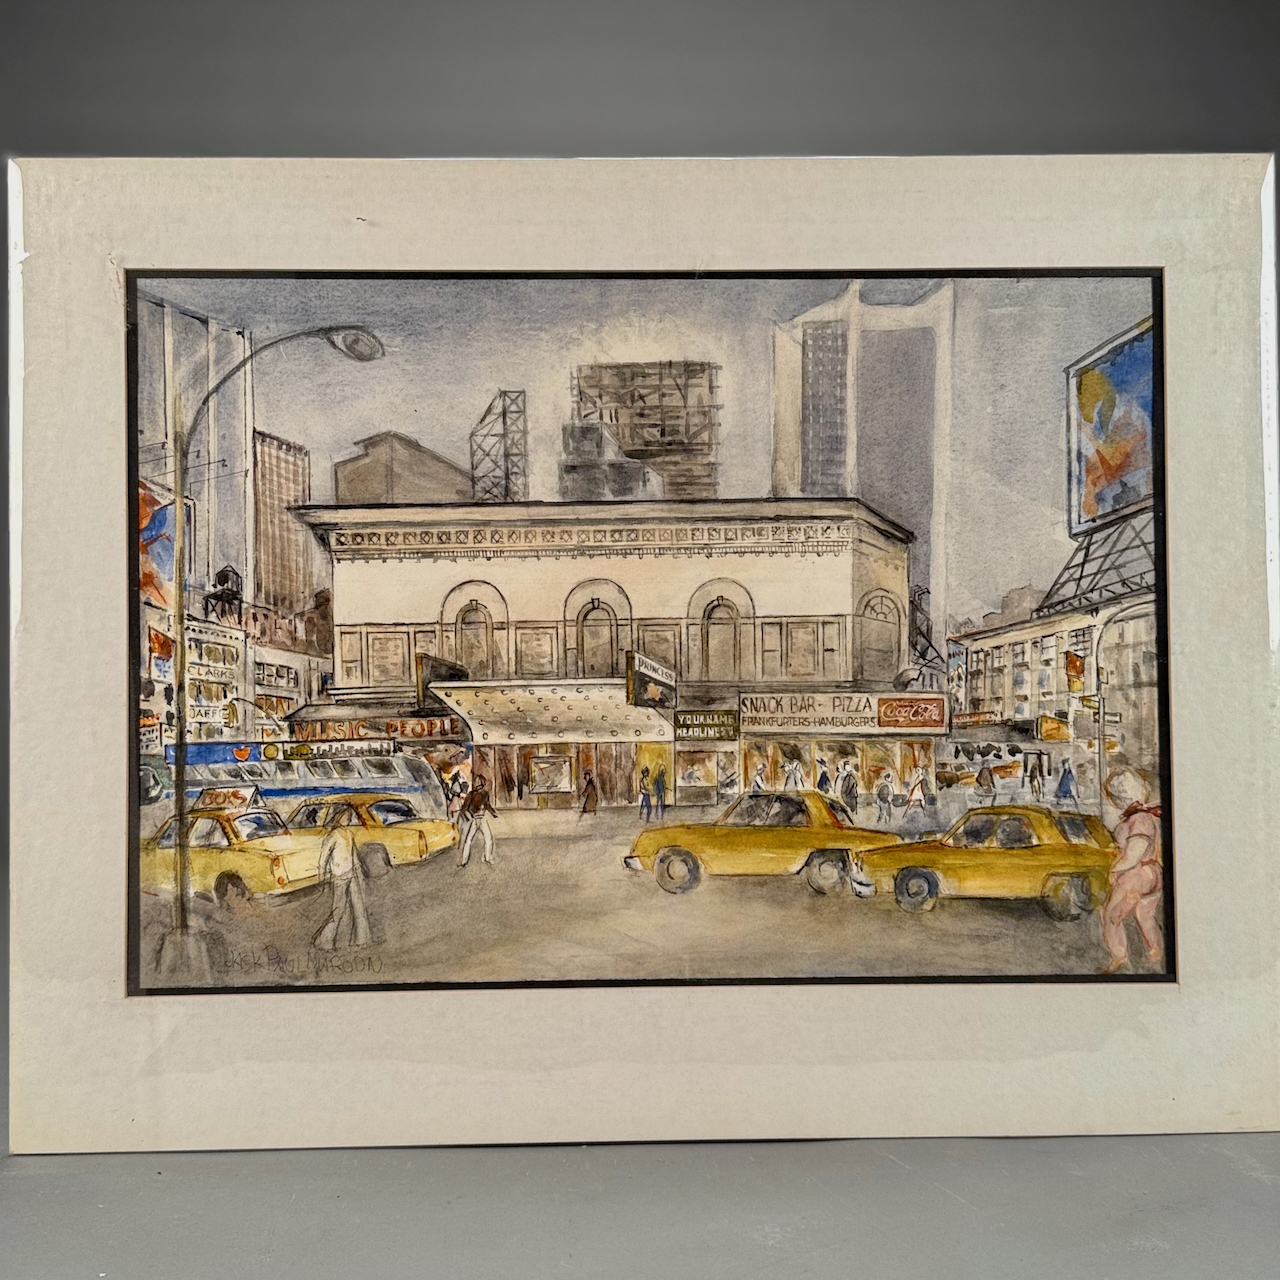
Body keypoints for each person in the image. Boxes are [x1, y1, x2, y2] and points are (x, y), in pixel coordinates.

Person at [1099, 767, 1164, 974]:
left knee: (1112, 916)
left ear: (1119, 797)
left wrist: (1115, 869)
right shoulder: (1145, 815)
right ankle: (1156, 955)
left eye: (1112, 796)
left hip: (1136, 875)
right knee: (1145, 916)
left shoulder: (1138, 819)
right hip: (1153, 873)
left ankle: (1119, 958)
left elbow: (1134, 853)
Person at [312, 821, 371, 951]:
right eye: (344, 817)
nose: (346, 820)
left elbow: (353, 854)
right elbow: (324, 856)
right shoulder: (333, 835)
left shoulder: (349, 833)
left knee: (358, 906)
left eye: (348, 817)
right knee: (338, 910)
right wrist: (327, 872)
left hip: (352, 873)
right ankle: (324, 942)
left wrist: (358, 870)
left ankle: (362, 940)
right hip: (339, 876)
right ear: (338, 818)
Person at [456, 773, 497, 867]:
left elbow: (487, 805)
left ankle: (487, 857)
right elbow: (464, 808)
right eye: (476, 781)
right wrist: (469, 817)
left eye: (479, 781)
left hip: (482, 818)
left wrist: (493, 813)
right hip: (475, 819)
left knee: (488, 838)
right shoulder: (471, 794)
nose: (478, 783)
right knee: (469, 840)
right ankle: (464, 860)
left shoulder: (485, 794)